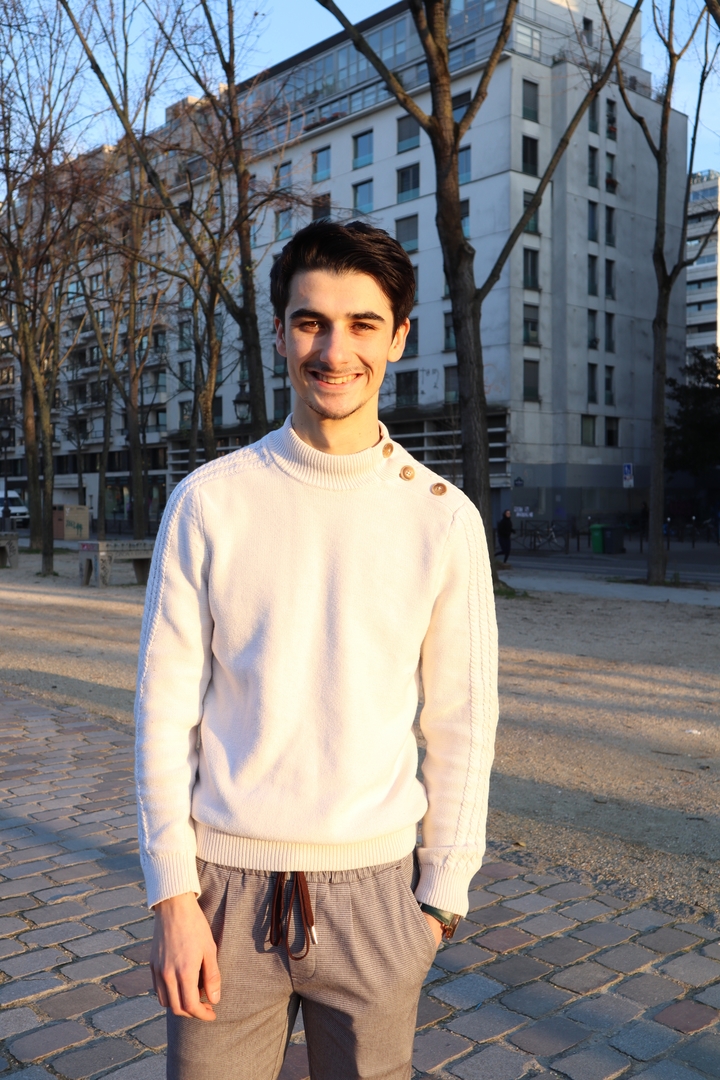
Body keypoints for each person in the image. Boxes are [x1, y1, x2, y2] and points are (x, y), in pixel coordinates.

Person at [135, 220, 499, 1079]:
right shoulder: (209, 504)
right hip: (223, 895)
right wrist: (172, 897)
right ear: (280, 332)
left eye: (362, 324)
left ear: (399, 337)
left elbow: (462, 721)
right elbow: (163, 714)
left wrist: (439, 902)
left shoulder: (443, 519)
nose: (334, 352)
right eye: (311, 323)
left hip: (379, 900)